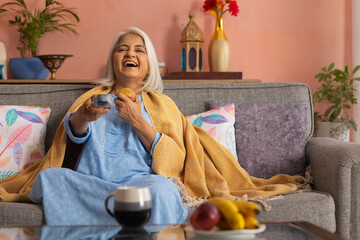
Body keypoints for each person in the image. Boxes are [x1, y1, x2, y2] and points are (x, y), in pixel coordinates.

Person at [0, 27, 307, 226]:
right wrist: (84, 116)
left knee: (164, 193)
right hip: (93, 182)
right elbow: (68, 142)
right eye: (122, 49)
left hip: (141, 185)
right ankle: (125, 223)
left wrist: (138, 121)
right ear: (113, 60)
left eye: (139, 49)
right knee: (49, 181)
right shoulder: (93, 98)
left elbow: (174, 162)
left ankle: (103, 222)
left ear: (148, 63)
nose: (130, 53)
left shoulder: (162, 105)